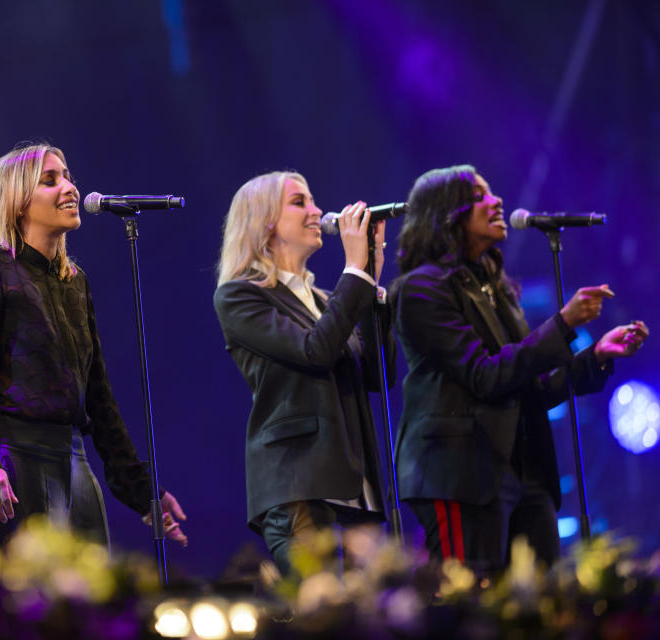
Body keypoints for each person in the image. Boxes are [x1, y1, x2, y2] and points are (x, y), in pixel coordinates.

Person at [392, 165, 650, 574]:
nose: (496, 201)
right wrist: (562, 324)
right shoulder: (421, 289)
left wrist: (597, 356)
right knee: (471, 605)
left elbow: (530, 388)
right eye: (478, 196)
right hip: (463, 475)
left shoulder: (495, 286)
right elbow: (484, 376)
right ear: (445, 213)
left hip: (525, 471)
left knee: (543, 602)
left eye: (492, 193)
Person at [0, 144, 187, 548]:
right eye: (50, 180)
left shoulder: (74, 280)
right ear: (17, 201)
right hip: (13, 458)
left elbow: (98, 397)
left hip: (73, 461)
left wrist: (142, 490)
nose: (70, 188)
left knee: (93, 596)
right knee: (32, 601)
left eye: (68, 176)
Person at [213, 170, 394, 577]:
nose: (317, 212)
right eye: (300, 203)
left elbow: (378, 376)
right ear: (264, 223)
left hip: (351, 487)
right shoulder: (241, 295)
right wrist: (355, 272)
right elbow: (314, 352)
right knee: (322, 616)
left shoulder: (326, 300)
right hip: (299, 485)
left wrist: (370, 282)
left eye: (313, 201)